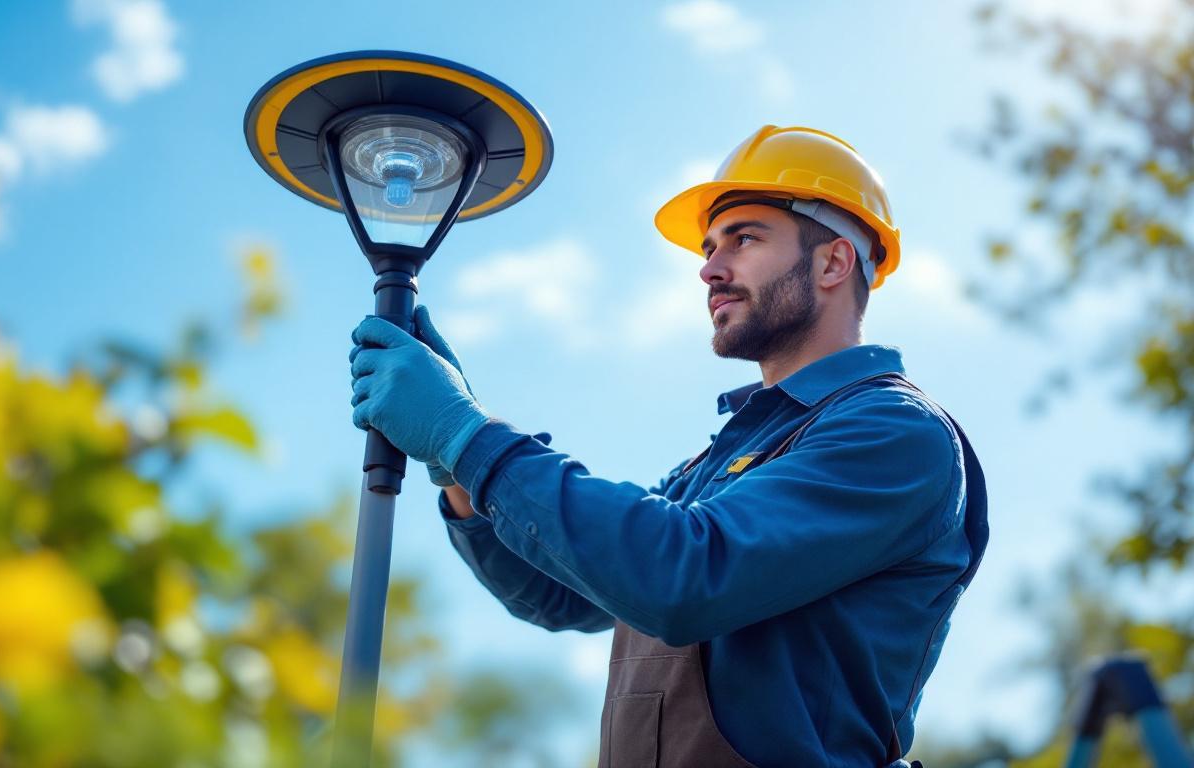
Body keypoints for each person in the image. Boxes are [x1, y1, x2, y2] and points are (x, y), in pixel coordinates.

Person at [348, 125, 989, 768]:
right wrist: (454, 465)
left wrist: (465, 434)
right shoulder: (718, 463)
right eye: (710, 248)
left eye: (744, 238)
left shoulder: (895, 433)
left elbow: (683, 576)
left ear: (833, 262)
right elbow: (558, 592)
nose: (710, 269)